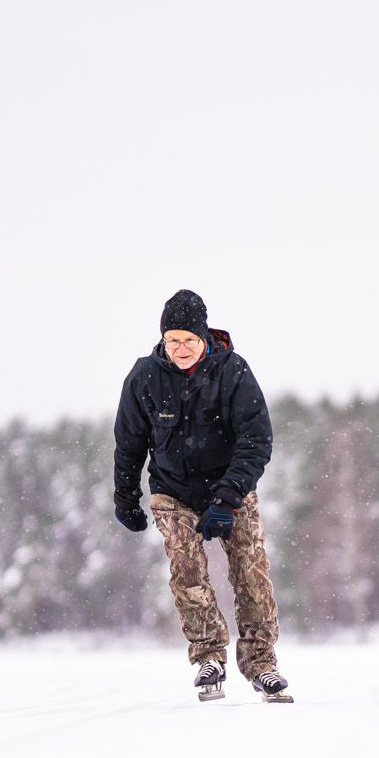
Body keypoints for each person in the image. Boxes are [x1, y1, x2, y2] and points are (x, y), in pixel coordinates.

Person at [112, 289, 292, 703]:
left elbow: (256, 440)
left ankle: (262, 664)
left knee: (250, 575)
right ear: (163, 339)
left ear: (204, 337)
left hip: (231, 488)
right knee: (187, 572)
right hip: (173, 491)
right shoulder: (144, 377)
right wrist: (125, 497)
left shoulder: (233, 372)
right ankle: (209, 656)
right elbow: (129, 444)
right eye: (172, 340)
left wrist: (227, 497)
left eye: (189, 340)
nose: (181, 349)